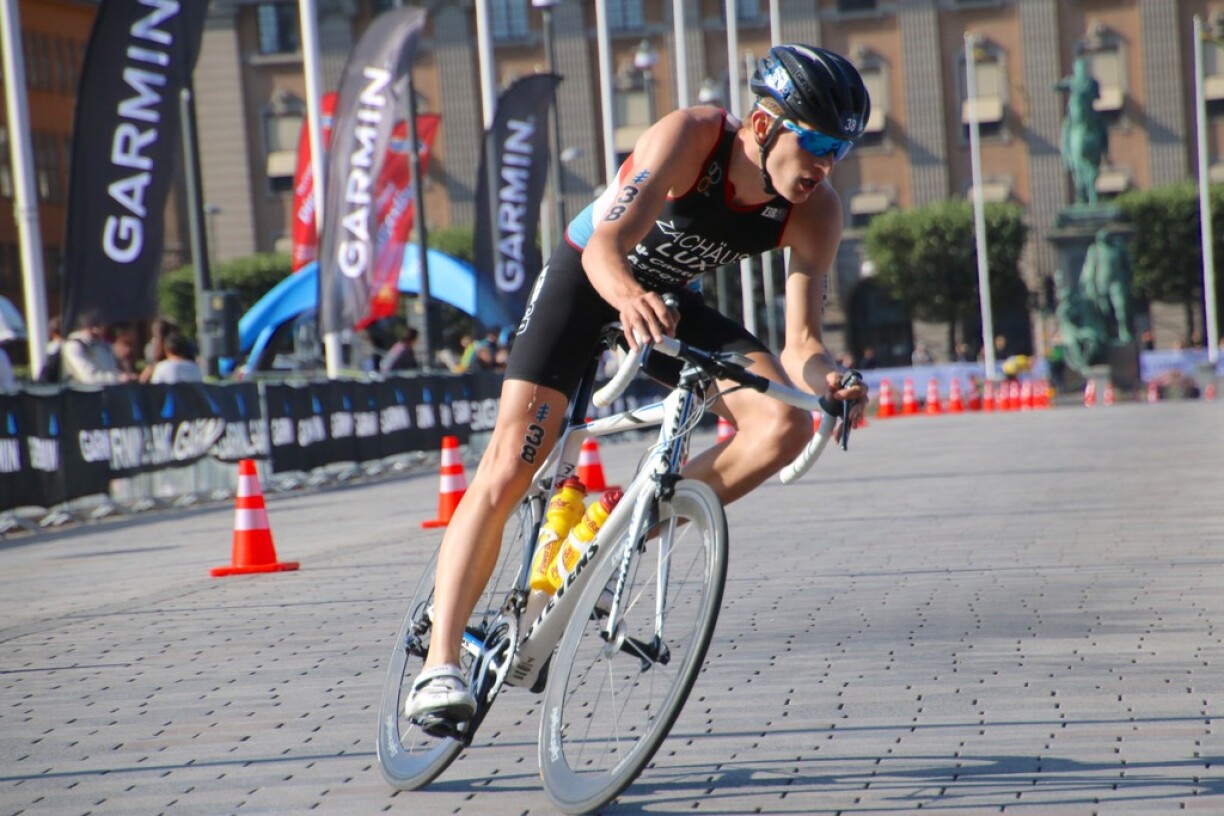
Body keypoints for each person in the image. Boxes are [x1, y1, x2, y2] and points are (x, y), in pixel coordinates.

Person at [404, 44, 871, 725]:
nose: (827, 165)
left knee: (784, 425)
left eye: (842, 150)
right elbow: (605, 245)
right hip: (588, 280)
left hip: (666, 303)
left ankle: (608, 535)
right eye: (819, 143)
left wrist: (833, 379)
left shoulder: (816, 210)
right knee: (512, 460)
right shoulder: (692, 137)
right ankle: (439, 665)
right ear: (764, 125)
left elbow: (803, 344)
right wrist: (626, 297)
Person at [61, 323, 134, 384]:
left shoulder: (105, 346)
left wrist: (127, 377)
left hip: (108, 393)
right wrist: (118, 378)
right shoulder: (73, 345)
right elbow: (88, 378)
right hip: (83, 395)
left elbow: (111, 370)